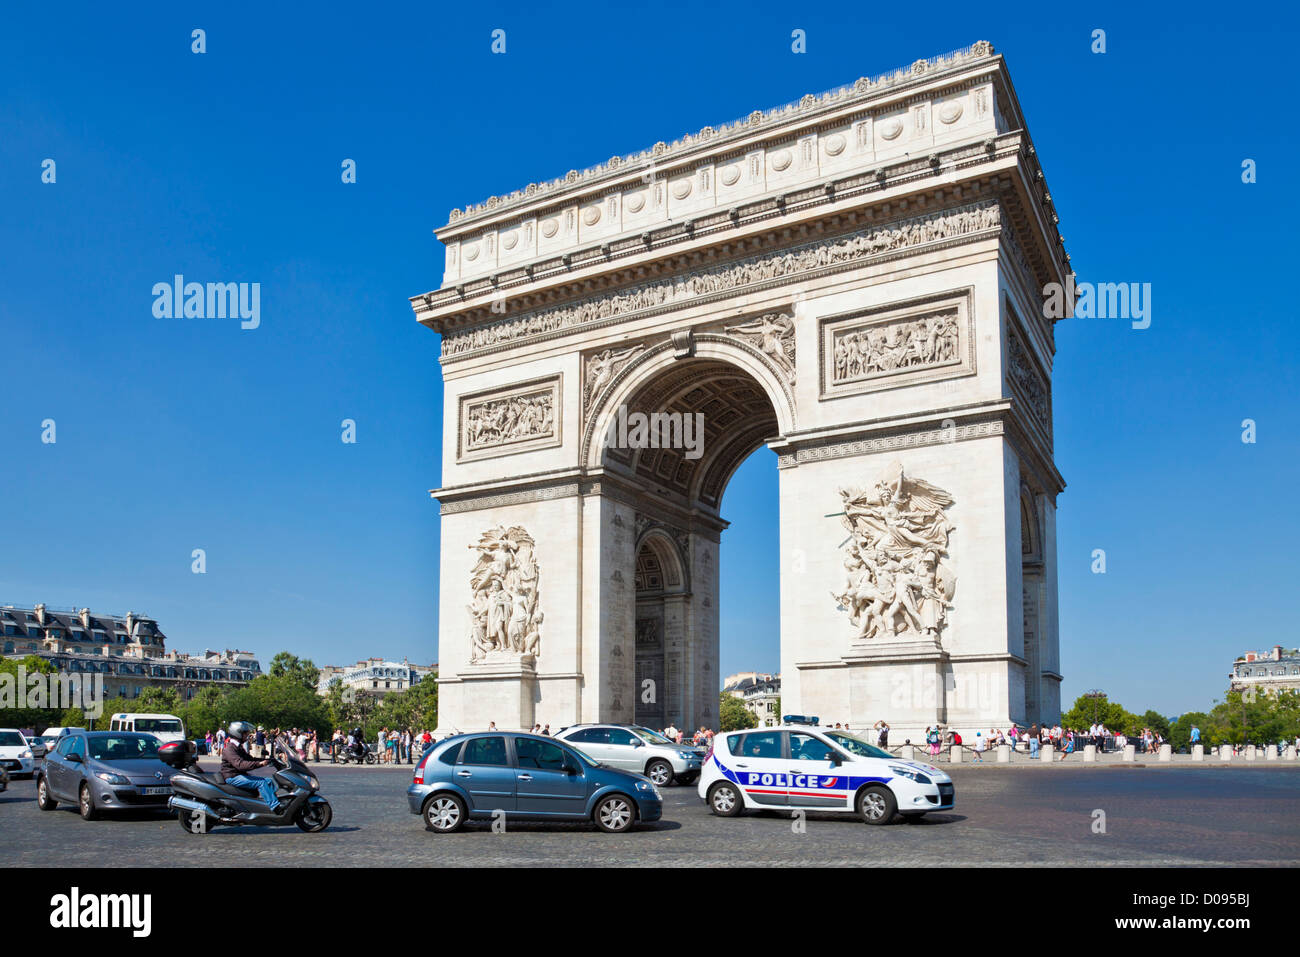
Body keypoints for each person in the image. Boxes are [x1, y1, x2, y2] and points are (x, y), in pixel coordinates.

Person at [220, 721, 280, 812]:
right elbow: (240, 764)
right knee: (261, 783)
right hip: (232, 777)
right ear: (238, 734)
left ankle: (274, 801)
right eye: (245, 733)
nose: (247, 735)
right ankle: (275, 808)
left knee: (268, 781)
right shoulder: (230, 748)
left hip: (238, 775)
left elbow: (249, 759)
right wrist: (259, 764)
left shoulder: (238, 746)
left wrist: (266, 760)